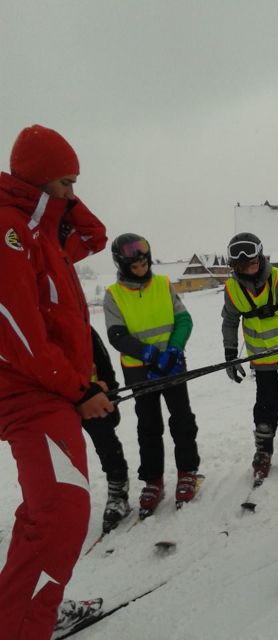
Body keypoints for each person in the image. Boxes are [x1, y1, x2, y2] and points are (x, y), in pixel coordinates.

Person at [0, 124, 112, 640]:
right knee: (60, 514)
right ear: (39, 180)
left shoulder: (41, 231)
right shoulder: (9, 230)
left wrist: (53, 198)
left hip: (51, 389)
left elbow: (94, 236)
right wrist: (80, 390)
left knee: (51, 511)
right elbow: (19, 333)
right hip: (30, 391)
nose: (73, 194)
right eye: (66, 182)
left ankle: (18, 610)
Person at [104, 233, 201, 516]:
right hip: (139, 370)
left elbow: (183, 319)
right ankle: (153, 479)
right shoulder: (114, 294)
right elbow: (117, 335)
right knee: (148, 425)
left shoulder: (163, 284)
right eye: (134, 264)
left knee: (182, 418)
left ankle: (187, 471)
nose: (141, 266)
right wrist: (150, 355)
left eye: (144, 261)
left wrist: (174, 349)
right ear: (122, 264)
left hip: (171, 364)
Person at [221, 232, 278, 484]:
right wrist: (231, 355)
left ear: (260, 256)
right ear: (234, 265)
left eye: (253, 259)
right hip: (260, 357)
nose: (249, 265)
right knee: (266, 403)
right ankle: (263, 449)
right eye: (242, 263)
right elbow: (229, 322)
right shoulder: (232, 288)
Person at [82, 327, 130, 533]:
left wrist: (111, 392)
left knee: (106, 442)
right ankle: (57, 504)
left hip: (91, 395)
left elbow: (101, 359)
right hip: (53, 401)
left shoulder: (77, 322)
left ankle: (118, 490)